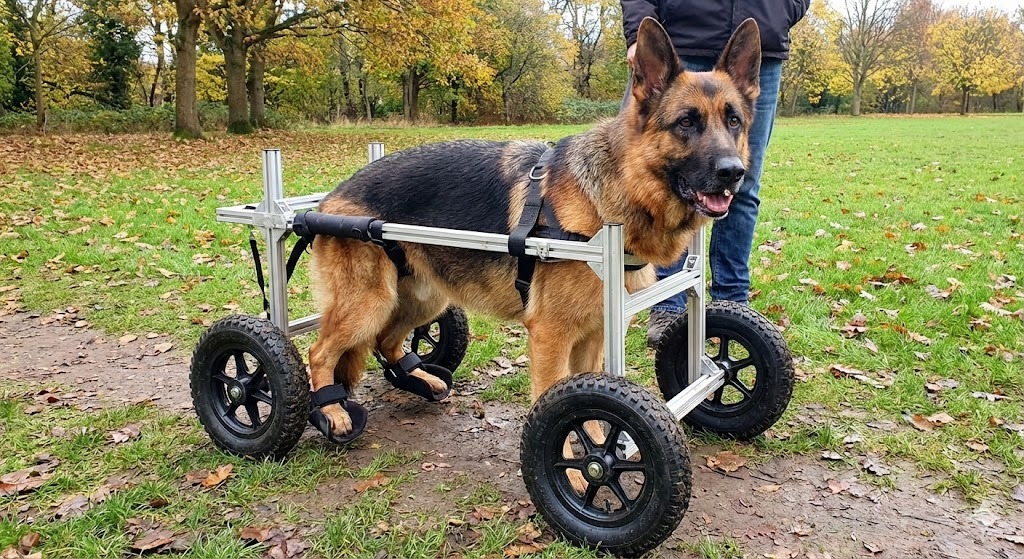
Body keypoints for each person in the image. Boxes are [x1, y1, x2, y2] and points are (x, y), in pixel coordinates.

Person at [620, 0, 810, 347]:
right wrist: (637, 32)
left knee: (741, 184)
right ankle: (667, 306)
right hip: (682, 30)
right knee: (641, 176)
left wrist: (781, 11)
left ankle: (731, 304)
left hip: (763, 35)